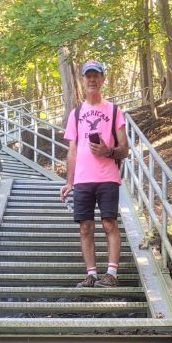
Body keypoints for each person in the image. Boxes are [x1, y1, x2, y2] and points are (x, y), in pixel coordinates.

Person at [60, 60, 130, 288]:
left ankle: (111, 274)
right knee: (85, 227)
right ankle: (90, 275)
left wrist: (107, 151)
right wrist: (69, 182)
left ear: (102, 79)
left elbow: (125, 149)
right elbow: (72, 150)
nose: (92, 80)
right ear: (83, 80)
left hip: (107, 176)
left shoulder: (114, 111)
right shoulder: (76, 114)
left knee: (109, 223)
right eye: (88, 76)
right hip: (83, 179)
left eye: (95, 76)